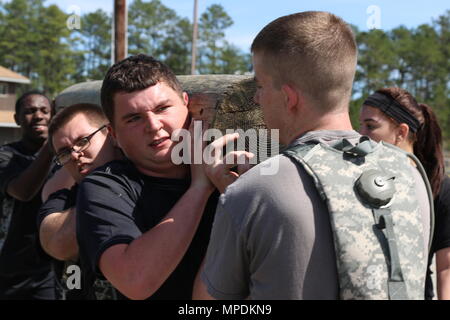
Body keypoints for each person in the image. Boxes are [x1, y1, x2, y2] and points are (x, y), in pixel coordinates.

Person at [193, 11, 432, 300]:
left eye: (260, 86)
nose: (257, 98)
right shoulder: (411, 176)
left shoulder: (252, 191)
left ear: (289, 98)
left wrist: (231, 199)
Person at [75, 54, 219, 300]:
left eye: (162, 108)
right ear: (114, 134)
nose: (153, 125)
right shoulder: (104, 187)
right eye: (134, 118)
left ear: (188, 105)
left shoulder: (233, 169)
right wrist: (199, 188)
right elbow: (134, 281)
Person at [359, 87, 450, 300]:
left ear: (401, 132)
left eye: (370, 126)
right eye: (360, 126)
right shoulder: (361, 181)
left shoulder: (438, 188)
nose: (360, 135)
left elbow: (445, 268)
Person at [37, 103, 121, 299]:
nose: (75, 155)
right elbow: (57, 243)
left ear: (111, 134)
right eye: (65, 152)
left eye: (83, 141)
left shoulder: (150, 180)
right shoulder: (60, 202)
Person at [0, 91, 56, 299]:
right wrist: (51, 147)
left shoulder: (67, 156)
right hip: (11, 267)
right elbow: (22, 192)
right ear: (17, 119)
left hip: (51, 268)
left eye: (44, 110)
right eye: (30, 111)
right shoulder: (6, 156)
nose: (39, 116)